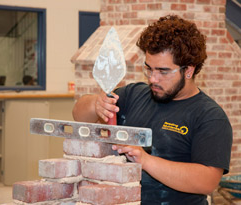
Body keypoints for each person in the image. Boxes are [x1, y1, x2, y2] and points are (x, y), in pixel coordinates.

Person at [72, 15, 232, 204]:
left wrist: (146, 161)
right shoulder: (134, 95)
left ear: (188, 70)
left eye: (163, 71)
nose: (153, 79)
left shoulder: (209, 117)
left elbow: (207, 182)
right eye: (149, 69)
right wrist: (95, 104)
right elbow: (78, 114)